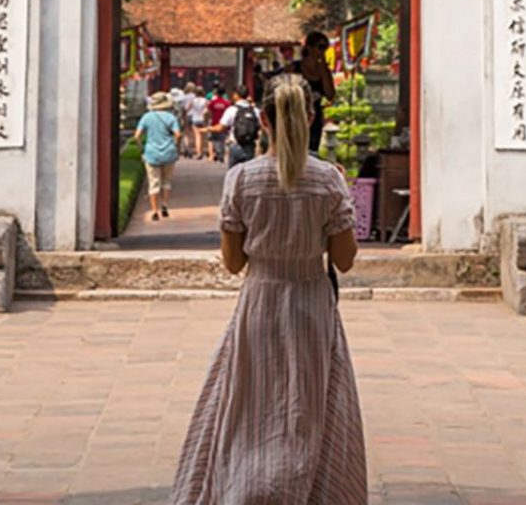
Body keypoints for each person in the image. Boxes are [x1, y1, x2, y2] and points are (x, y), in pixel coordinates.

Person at [168, 73, 366, 505]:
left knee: (249, 409)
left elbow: (234, 261)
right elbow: (345, 259)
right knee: (311, 408)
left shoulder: (241, 180)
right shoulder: (327, 180)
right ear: (312, 117)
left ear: (263, 118)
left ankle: (247, 490)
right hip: (311, 301)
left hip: (260, 301)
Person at [133, 90, 181, 222]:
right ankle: (164, 205)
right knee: (166, 181)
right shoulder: (171, 117)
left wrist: (141, 148)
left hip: (151, 153)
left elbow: (137, 136)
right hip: (169, 152)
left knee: (153, 182)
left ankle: (154, 211)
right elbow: (178, 134)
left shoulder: (146, 117)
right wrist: (176, 145)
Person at [291, 30, 337, 154]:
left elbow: (330, 94)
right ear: (310, 48)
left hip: (314, 115)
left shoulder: (324, 71)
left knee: (312, 150)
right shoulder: (295, 68)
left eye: (325, 47)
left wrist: (323, 68)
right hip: (296, 112)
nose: (323, 51)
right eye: (320, 47)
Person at [219, 87, 261, 169]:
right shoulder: (255, 110)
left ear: (236, 95)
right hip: (250, 146)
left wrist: (207, 129)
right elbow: (261, 124)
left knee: (233, 174)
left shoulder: (231, 110)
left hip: (235, 144)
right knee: (248, 173)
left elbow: (221, 127)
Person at [207, 89, 230, 162]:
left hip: (214, 122)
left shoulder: (213, 102)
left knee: (214, 139)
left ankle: (217, 153)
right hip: (223, 123)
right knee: (222, 140)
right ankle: (221, 154)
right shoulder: (226, 103)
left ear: (216, 94)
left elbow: (209, 111)